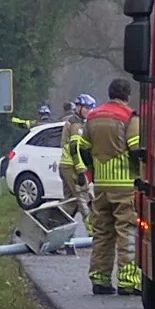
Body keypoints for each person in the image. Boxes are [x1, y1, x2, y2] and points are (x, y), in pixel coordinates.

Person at [79, 79, 142, 295]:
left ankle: (100, 279)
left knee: (102, 232)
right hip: (125, 184)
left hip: (101, 185)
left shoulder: (93, 116)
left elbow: (84, 148)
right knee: (127, 232)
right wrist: (140, 173)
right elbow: (135, 147)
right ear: (127, 95)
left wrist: (93, 171)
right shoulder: (129, 116)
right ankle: (128, 281)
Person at [59, 94, 96, 231]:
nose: (89, 111)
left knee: (70, 203)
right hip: (71, 166)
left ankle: (55, 227)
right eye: (86, 108)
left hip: (66, 165)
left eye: (91, 108)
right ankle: (92, 230)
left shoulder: (79, 122)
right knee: (82, 197)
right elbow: (75, 148)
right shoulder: (76, 123)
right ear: (79, 107)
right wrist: (81, 171)